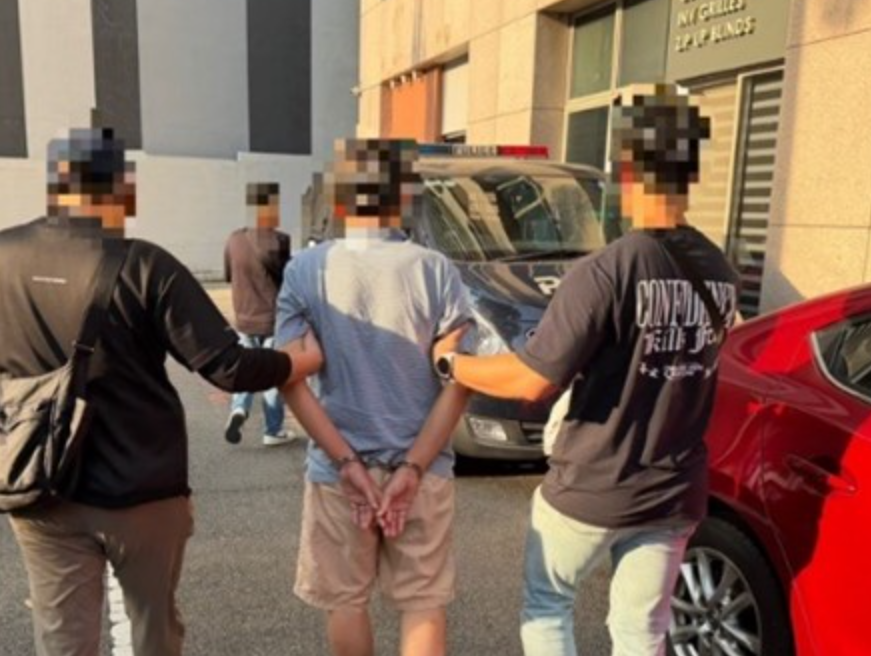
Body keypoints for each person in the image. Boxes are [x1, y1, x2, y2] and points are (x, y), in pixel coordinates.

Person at [0, 126, 322, 656]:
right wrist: (298, 361)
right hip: (142, 488)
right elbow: (228, 367)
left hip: (38, 484)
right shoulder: (146, 266)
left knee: (63, 638)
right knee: (153, 628)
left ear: (54, 185)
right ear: (124, 190)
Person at [434, 84, 740, 656]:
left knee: (548, 607)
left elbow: (532, 379)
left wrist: (453, 364)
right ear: (692, 173)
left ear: (626, 171)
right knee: (642, 633)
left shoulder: (608, 270)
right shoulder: (720, 270)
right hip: (674, 490)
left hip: (594, 485)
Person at [276, 138, 473, 656]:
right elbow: (460, 379)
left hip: (338, 469)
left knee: (346, 600)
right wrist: (412, 467)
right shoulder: (435, 269)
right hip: (424, 468)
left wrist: (346, 462)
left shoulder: (305, 270)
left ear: (339, 195)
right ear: (404, 195)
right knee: (423, 603)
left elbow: (288, 377)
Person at [223, 182, 296, 446]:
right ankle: (272, 430)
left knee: (246, 368)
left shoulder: (234, 239)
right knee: (272, 375)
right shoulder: (280, 240)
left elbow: (228, 275)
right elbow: (288, 280)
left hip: (244, 317)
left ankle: (239, 408)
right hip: (272, 319)